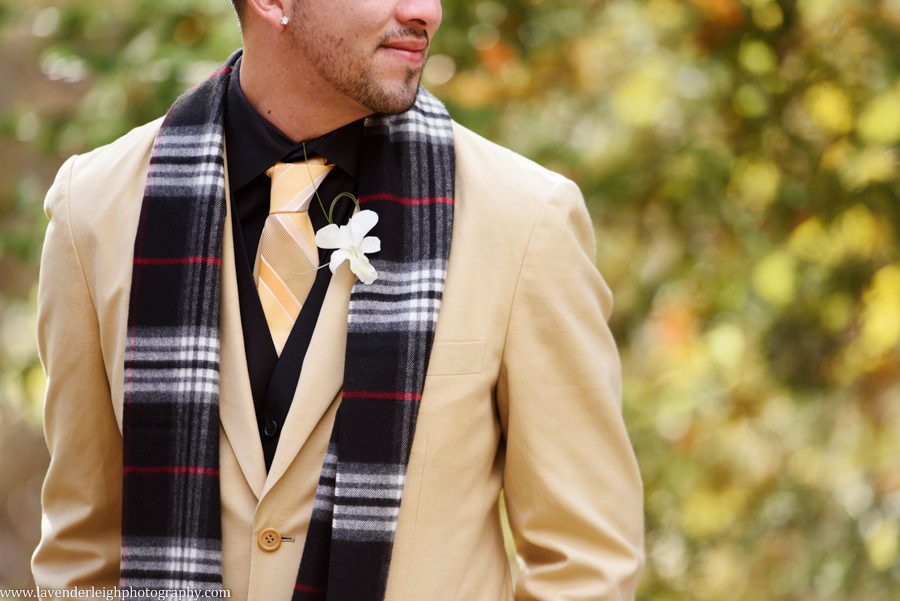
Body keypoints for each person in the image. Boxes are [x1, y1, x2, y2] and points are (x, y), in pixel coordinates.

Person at [31, 1, 645, 599]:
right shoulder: (94, 210)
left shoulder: (526, 218)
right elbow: (82, 558)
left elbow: (585, 563)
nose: (427, 12)